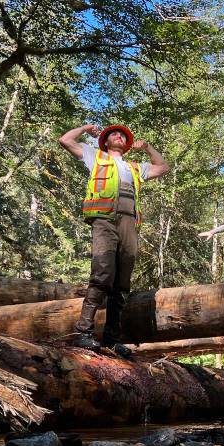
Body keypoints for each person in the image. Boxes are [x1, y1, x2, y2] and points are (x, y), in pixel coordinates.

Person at [58, 122, 171, 357]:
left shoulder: (133, 167)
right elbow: (65, 140)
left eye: (122, 135)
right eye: (114, 134)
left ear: (127, 144)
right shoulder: (94, 156)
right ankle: (83, 333)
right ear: (105, 141)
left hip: (129, 224)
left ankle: (111, 339)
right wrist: (85, 128)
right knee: (102, 274)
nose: (118, 136)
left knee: (122, 283)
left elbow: (163, 167)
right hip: (104, 220)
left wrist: (148, 147)